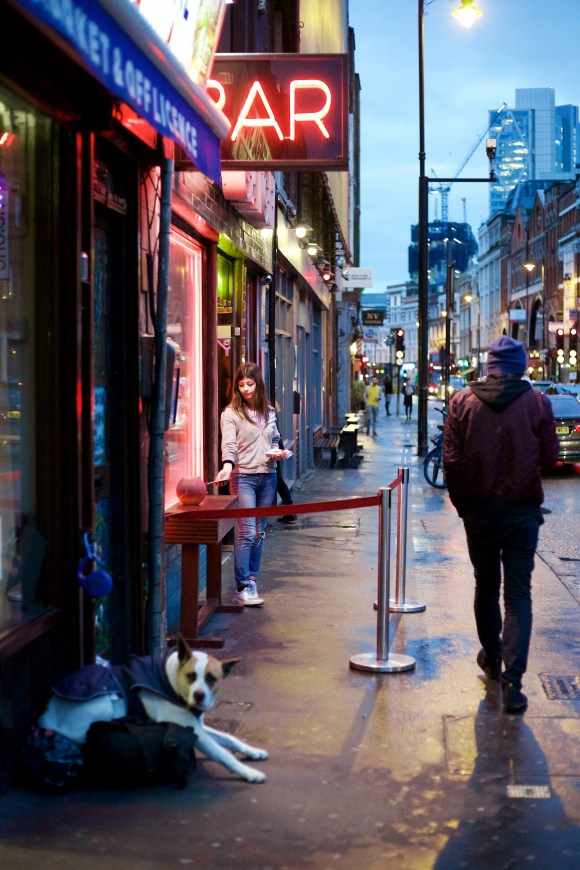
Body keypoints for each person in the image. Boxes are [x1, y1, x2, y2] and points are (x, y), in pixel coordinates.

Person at [442, 336, 559, 714]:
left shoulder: (462, 401)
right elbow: (551, 456)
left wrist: (464, 505)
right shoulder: (538, 402)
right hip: (521, 511)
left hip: (479, 511)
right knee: (519, 594)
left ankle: (492, 658)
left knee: (486, 584)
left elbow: (451, 462)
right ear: (521, 366)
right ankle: (514, 682)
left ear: (490, 365)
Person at [215, 362, 289, 606]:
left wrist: (277, 450)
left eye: (250, 384)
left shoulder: (268, 411)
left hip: (268, 476)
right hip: (243, 477)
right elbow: (229, 444)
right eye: (241, 385)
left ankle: (252, 579)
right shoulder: (231, 414)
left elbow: (275, 438)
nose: (246, 389)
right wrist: (227, 465)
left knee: (259, 533)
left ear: (258, 384)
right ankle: (241, 587)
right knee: (246, 532)